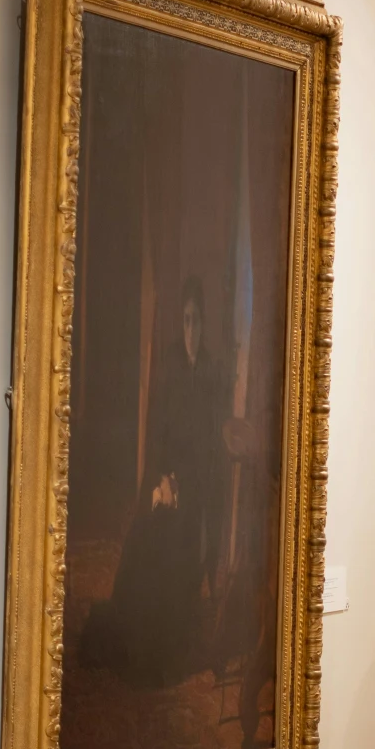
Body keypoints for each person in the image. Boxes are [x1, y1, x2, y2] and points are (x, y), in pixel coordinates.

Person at [79, 275, 224, 687]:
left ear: (205, 325)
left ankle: (173, 637)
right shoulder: (172, 366)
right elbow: (159, 429)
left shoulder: (212, 370)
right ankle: (147, 635)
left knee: (183, 552)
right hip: (167, 478)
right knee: (147, 547)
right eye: (185, 321)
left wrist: (189, 483)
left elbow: (211, 437)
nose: (190, 330)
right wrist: (164, 479)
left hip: (193, 485)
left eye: (196, 321)